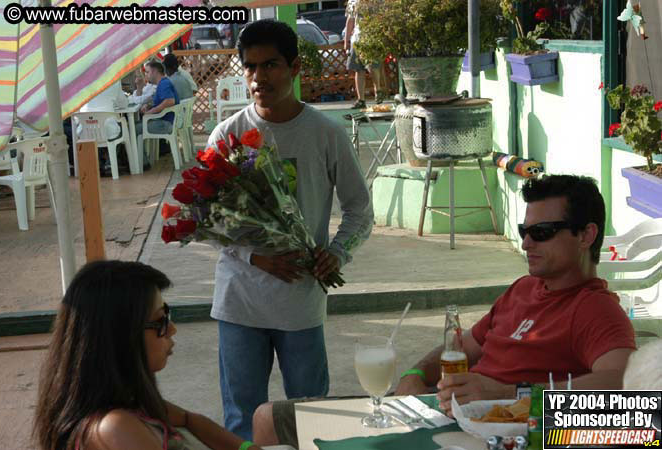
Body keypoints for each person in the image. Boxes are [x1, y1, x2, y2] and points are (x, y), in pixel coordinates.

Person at [252, 174, 636, 448]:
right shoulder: (524, 289)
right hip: (437, 411)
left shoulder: (595, 309)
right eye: (524, 230)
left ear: (586, 235)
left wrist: (508, 395)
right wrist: (417, 373)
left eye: (543, 232)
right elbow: (463, 347)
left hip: (484, 434)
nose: (527, 242)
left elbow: (623, 386)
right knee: (266, 419)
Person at [206, 19, 373, 440]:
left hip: (301, 301)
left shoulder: (325, 134)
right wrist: (255, 256)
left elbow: (360, 210)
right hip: (239, 301)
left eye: (271, 65)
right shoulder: (228, 136)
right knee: (243, 421)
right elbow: (210, 218)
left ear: (295, 67)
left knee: (311, 418)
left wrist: (337, 252)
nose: (259, 77)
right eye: (250, 67)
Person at [32, 260, 262, 450]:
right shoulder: (115, 428)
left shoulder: (131, 401)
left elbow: (190, 419)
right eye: (160, 321)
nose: (171, 329)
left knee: (267, 416)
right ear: (119, 337)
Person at [344, 0, 387, 109]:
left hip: (372, 38)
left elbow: (384, 17)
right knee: (358, 70)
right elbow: (350, 21)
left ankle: (378, 89)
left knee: (372, 66)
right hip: (357, 39)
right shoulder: (352, 2)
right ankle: (361, 100)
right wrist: (346, 41)